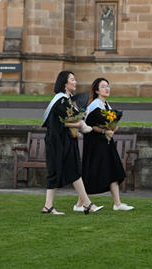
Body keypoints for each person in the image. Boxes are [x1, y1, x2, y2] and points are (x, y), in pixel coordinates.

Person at [41, 70, 102, 215]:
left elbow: (68, 122)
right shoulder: (60, 100)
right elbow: (60, 123)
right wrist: (81, 125)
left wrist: (80, 123)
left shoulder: (69, 100)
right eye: (72, 79)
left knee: (74, 170)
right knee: (55, 171)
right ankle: (50, 206)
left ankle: (86, 204)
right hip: (57, 141)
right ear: (65, 83)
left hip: (68, 139)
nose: (75, 82)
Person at [81, 78, 134, 211]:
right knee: (92, 172)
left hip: (106, 143)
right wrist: (105, 130)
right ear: (97, 90)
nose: (107, 88)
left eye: (108, 86)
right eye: (103, 86)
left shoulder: (106, 105)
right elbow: (90, 125)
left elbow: (111, 123)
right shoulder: (94, 105)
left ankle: (117, 203)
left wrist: (113, 127)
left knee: (113, 169)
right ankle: (80, 204)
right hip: (95, 144)